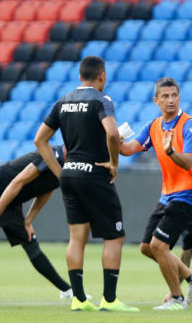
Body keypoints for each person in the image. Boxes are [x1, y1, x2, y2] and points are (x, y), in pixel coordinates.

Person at [34, 55, 138, 312]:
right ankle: (109, 300)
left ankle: (79, 299)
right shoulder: (102, 100)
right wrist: (114, 163)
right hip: (94, 174)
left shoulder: (63, 101)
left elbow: (40, 140)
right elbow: (112, 132)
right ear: (102, 75)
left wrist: (60, 172)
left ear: (80, 76)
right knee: (114, 236)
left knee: (76, 237)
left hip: (70, 174)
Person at [120, 77, 192, 310]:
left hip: (189, 194)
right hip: (168, 194)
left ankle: (177, 300)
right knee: (147, 247)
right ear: (156, 101)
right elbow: (127, 149)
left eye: (174, 95)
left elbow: (188, 162)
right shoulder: (153, 126)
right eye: (165, 96)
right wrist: (114, 139)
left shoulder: (189, 125)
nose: (171, 100)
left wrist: (170, 151)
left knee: (159, 246)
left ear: (179, 97)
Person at [0, 145, 77, 300]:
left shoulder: (67, 168)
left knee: (30, 243)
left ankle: (66, 290)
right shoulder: (49, 155)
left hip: (12, 199)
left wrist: (28, 221)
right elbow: (17, 182)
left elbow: (46, 190)